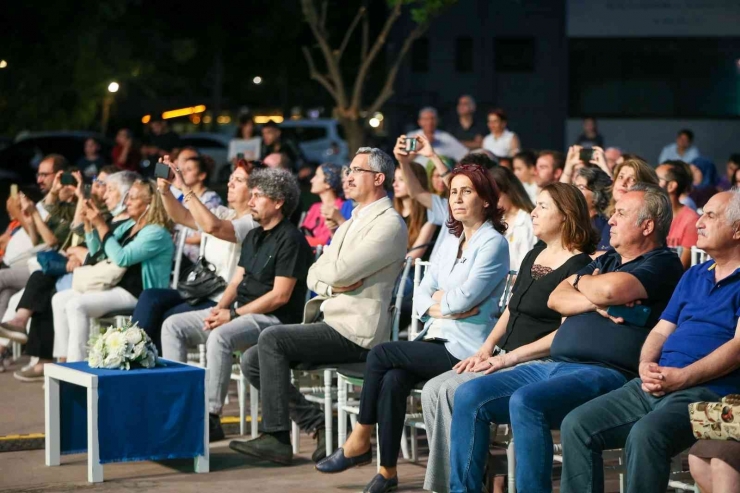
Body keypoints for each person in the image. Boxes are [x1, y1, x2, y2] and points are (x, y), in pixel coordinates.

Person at [448, 183, 684, 493]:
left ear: (647, 225)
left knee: (527, 401)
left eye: (621, 213)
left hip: (606, 372)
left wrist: (587, 286)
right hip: (554, 363)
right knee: (469, 395)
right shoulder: (607, 260)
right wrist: (595, 298)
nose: (610, 219)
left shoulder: (662, 263)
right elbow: (557, 297)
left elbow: (610, 290)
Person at [315, 163, 509, 492]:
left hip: (464, 348)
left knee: (380, 353)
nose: (457, 199)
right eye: (453, 192)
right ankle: (387, 471)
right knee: (392, 379)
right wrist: (440, 306)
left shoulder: (493, 243)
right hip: (436, 336)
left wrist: (442, 305)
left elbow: (463, 300)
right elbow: (421, 295)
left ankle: (360, 437)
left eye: (467, 192)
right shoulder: (453, 239)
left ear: (486, 199)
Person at [229, 147, 408, 465]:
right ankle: (319, 423)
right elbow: (315, 271)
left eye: (357, 171)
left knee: (272, 339)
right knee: (253, 358)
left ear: (379, 178)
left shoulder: (389, 223)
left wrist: (334, 278)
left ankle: (277, 438)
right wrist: (335, 281)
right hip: (331, 319)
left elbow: (334, 271)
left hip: (357, 333)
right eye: (348, 170)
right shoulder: (354, 219)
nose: (348, 176)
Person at [559, 190, 740, 493]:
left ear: (737, 229)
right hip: (656, 380)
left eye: (711, 215)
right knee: (576, 425)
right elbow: (660, 331)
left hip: (709, 390)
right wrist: (646, 364)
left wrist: (681, 377)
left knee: (647, 434)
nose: (699, 222)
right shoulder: (694, 274)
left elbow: (737, 349)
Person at [420, 183, 596, 493]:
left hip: (538, 362)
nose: (533, 212)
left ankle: (464, 485)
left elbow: (565, 332)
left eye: (542, 206)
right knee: (434, 388)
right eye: (536, 205)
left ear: (566, 216)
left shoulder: (580, 264)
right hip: (504, 355)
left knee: (452, 391)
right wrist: (486, 348)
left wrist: (507, 358)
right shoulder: (534, 254)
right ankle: (453, 483)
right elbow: (510, 310)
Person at [161, 168, 311, 441]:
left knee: (219, 337)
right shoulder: (254, 234)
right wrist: (221, 309)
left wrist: (232, 314)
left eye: (258, 196)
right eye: (250, 195)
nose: (251, 201)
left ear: (278, 203)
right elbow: (236, 281)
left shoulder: (292, 239)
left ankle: (210, 416)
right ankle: (177, 405)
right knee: (173, 325)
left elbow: (280, 297)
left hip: (274, 320)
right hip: (241, 311)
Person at [133, 160, 257, 351]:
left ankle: (148, 366)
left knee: (168, 317)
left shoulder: (253, 223)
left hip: (222, 299)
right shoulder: (224, 213)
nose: (229, 183)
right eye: (231, 178)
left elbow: (212, 227)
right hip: (200, 290)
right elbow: (182, 217)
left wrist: (184, 187)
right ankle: (133, 356)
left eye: (238, 180)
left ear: (255, 190)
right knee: (151, 297)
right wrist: (164, 190)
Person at [49, 179, 174, 363]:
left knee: (76, 305)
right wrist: (90, 225)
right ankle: (62, 360)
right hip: (114, 285)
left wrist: (101, 225)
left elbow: (122, 257)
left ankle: (75, 367)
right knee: (59, 299)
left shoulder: (156, 232)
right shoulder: (129, 226)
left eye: (132, 198)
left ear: (149, 203)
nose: (127, 202)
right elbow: (98, 254)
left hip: (139, 293)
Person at [174, 154, 223, 263]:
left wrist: (178, 239)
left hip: (195, 258)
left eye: (189, 169)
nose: (183, 173)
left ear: (202, 175)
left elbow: (206, 232)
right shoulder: (182, 196)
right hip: (178, 253)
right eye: (182, 169)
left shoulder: (210, 198)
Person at [488, 166, 536, 271]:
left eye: (495, 197)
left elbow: (525, 266)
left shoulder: (527, 221)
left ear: (508, 191)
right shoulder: (494, 220)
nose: (491, 202)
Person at [657, 160, 699, 269]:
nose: (651, 183)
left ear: (671, 186)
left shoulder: (690, 220)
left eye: (656, 179)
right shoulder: (650, 214)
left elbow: (682, 267)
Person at [393, 162, 437, 261]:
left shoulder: (430, 215)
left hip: (414, 271)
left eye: (401, 180)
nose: (395, 184)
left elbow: (413, 257)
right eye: (394, 179)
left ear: (416, 182)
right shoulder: (391, 212)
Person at [301, 163, 345, 247]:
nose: (312, 180)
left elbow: (325, 241)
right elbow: (304, 232)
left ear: (328, 183)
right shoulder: (315, 207)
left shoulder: (341, 207)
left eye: (317, 176)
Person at [574, 166, 613, 252]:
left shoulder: (605, 225)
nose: (574, 191)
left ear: (596, 195)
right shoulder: (571, 220)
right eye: (574, 186)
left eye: (581, 188)